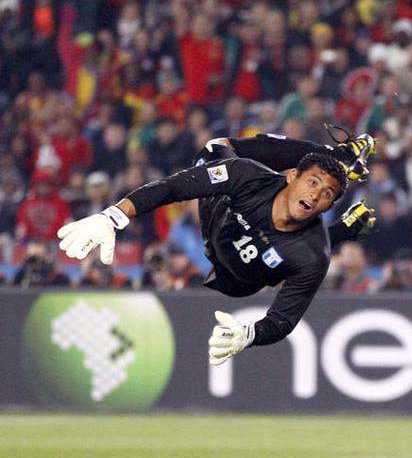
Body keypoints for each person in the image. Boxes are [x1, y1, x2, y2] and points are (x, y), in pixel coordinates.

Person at [56, 132, 377, 366]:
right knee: (215, 148)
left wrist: (250, 335)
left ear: (329, 206)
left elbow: (283, 320)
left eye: (327, 194)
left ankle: (341, 227)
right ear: (292, 175)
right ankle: (336, 154)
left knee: (300, 252)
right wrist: (113, 216)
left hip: (240, 280)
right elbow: (172, 188)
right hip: (217, 221)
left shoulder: (314, 256)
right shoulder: (247, 176)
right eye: (313, 182)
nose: (316, 194)